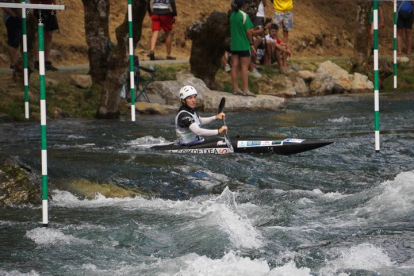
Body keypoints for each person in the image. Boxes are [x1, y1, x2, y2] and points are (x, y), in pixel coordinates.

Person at [230, 0, 256, 97]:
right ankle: (245, 89)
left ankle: (235, 88)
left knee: (234, 66)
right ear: (243, 5)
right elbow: (249, 31)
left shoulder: (232, 15)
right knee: (244, 67)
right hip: (244, 44)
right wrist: (251, 42)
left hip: (234, 44)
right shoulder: (244, 15)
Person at [31, 0, 59, 71]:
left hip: (50, 8)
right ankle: (37, 61)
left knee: (49, 36)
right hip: (39, 8)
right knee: (39, 35)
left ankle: (46, 61)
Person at [1, 0, 22, 70]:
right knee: (14, 41)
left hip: (25, 17)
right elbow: (2, 3)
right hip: (12, 17)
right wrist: (14, 15)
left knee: (25, 40)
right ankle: (14, 64)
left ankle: (24, 63)